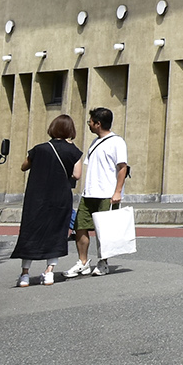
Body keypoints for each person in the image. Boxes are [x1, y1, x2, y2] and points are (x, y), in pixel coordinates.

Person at [11, 115, 82, 286]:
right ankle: (49, 272)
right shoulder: (74, 151)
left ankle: (25, 275)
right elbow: (77, 175)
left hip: (36, 197)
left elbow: (23, 166)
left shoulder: (40, 149)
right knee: (56, 232)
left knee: (31, 231)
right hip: (60, 198)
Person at [69, 106, 128, 277]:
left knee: (105, 231)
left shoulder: (117, 142)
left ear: (98, 123)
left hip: (107, 194)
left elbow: (122, 167)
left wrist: (117, 192)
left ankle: (103, 261)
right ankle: (83, 262)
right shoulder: (95, 142)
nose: (89, 124)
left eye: (90, 122)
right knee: (80, 226)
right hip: (89, 193)